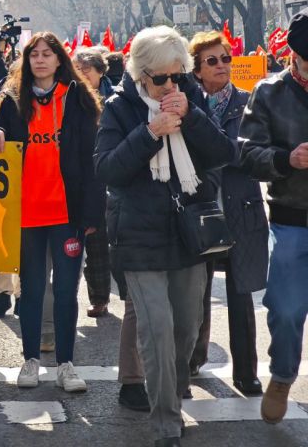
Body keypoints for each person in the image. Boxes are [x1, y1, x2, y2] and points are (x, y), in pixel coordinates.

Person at [95, 26, 235, 447]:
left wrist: (190, 117)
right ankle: (166, 424)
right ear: (141, 74)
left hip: (188, 235)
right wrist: (149, 132)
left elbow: (223, 153)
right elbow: (107, 170)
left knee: (185, 332)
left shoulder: (190, 98)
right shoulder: (119, 108)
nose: (171, 85)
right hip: (138, 237)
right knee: (154, 331)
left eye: (178, 76)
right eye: (161, 79)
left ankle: (171, 396)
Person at [0, 31, 103, 393]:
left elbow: (91, 161)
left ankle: (67, 364)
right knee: (32, 291)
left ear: (59, 60)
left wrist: (91, 216)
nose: (40, 59)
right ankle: (30, 360)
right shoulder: (11, 99)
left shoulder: (79, 99)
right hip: (26, 214)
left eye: (47, 53)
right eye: (33, 54)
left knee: (67, 291)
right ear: (26, 60)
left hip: (67, 213)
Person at [188, 31, 268, 395]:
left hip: (241, 208)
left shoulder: (248, 102)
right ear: (197, 70)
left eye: (226, 59)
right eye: (213, 61)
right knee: (196, 291)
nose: (222, 66)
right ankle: (194, 358)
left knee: (240, 295)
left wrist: (218, 149)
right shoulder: (189, 105)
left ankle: (247, 371)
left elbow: (255, 153)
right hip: (200, 209)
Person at [239, 9, 308, 424]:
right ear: (295, 57)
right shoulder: (268, 92)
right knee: (285, 310)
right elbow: (246, 153)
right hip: (291, 219)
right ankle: (282, 376)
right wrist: (288, 158)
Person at [73, 48, 114, 318]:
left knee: (99, 245)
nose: (82, 74)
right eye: (78, 69)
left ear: (100, 71)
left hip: (107, 177)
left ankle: (100, 298)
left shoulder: (115, 99)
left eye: (87, 69)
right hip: (77, 175)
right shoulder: (69, 97)